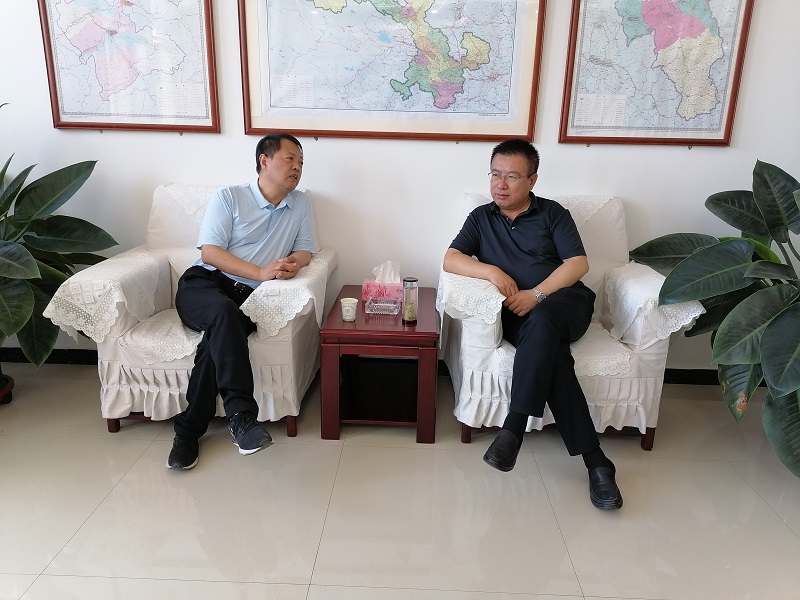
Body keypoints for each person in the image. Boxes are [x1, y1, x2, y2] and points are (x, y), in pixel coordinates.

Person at [442, 139, 623, 510]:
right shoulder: (481, 217)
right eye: (495, 174)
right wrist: (490, 271)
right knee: (553, 357)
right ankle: (597, 463)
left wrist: (537, 295)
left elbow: (578, 264)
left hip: (565, 304)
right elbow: (451, 258)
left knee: (543, 321)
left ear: (532, 180)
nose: (500, 184)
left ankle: (514, 426)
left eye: (511, 177)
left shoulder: (553, 213)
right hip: (516, 314)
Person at [167, 133, 317, 470]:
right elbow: (210, 252)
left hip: (247, 299)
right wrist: (260, 272)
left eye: (301, 162)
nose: (297, 167)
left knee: (219, 333)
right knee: (223, 312)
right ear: (264, 161)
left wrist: (294, 263)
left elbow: (306, 249)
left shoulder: (301, 203)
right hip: (205, 284)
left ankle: (188, 431)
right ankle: (241, 417)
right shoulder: (230, 197)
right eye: (290, 159)